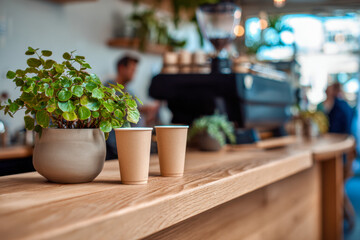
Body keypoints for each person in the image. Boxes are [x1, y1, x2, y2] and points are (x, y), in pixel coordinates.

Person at [105, 54, 160, 160]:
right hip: (114, 146)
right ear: (121, 68)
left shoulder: (129, 92)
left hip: (130, 144)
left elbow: (135, 110)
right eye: (132, 69)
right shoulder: (108, 89)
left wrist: (147, 110)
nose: (134, 72)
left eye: (135, 69)